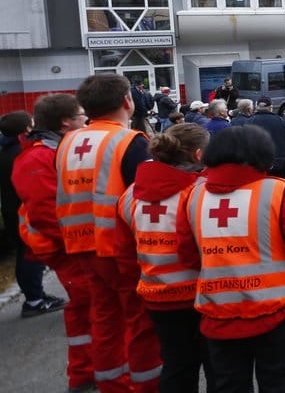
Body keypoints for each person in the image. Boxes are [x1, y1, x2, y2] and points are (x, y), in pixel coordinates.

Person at [175, 126, 285, 393]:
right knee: (278, 383)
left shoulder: (193, 196)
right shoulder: (278, 192)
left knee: (229, 385)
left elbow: (187, 256)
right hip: (277, 312)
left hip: (219, 314)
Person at [55, 73, 160, 393]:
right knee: (141, 322)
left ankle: (112, 383)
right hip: (119, 247)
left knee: (104, 319)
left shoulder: (68, 141)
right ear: (128, 101)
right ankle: (146, 386)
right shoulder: (130, 142)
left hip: (80, 244)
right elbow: (146, 199)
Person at [115, 123, 211, 393]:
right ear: (199, 155)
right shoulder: (202, 191)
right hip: (204, 296)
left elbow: (123, 255)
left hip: (158, 297)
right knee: (218, 366)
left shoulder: (128, 195)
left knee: (177, 365)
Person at [12, 94, 91, 392]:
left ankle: (87, 371)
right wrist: (82, 241)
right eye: (81, 115)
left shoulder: (52, 151)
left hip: (73, 245)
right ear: (65, 122)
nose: (86, 120)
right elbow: (48, 213)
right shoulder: (37, 158)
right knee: (89, 309)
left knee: (90, 309)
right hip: (69, 249)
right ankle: (86, 374)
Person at [1, 110, 66, 318]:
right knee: (32, 254)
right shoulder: (20, 153)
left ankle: (33, 296)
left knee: (24, 253)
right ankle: (34, 300)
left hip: (11, 209)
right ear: (27, 129)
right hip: (24, 209)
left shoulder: (5, 150)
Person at [245, 97, 285, 180]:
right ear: (270, 107)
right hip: (279, 163)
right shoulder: (281, 121)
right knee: (279, 189)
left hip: (257, 165)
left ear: (257, 107)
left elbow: (245, 144)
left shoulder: (249, 122)